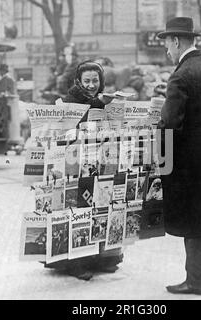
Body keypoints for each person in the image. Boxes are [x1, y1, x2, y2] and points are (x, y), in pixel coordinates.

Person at [157, 17, 201, 295]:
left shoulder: (181, 74)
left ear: (176, 41)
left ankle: (195, 281)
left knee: (193, 220)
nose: (167, 51)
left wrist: (157, 150)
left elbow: (170, 123)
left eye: (167, 45)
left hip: (187, 162)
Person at [45, 61, 120, 281]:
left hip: (100, 161)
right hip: (73, 163)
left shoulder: (104, 100)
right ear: (78, 81)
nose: (91, 85)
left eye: (95, 81)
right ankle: (76, 263)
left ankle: (103, 258)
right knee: (78, 209)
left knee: (100, 207)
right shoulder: (67, 102)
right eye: (86, 81)